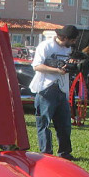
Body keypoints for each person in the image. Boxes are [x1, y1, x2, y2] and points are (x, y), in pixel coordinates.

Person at [29, 24, 78, 160]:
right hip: (46, 88)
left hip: (62, 88)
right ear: (66, 38)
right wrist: (57, 71)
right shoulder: (46, 46)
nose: (74, 43)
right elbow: (36, 66)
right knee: (44, 122)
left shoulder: (69, 50)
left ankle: (65, 152)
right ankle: (46, 152)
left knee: (64, 124)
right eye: (73, 40)